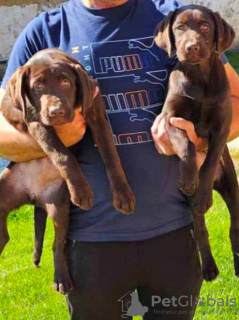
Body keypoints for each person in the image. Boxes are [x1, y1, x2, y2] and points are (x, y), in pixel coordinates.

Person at [0, 0, 239, 319]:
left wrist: (194, 139)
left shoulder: (173, 17)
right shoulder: (45, 30)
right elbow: (3, 134)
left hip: (175, 233)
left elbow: (234, 104)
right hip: (92, 241)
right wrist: (58, 139)